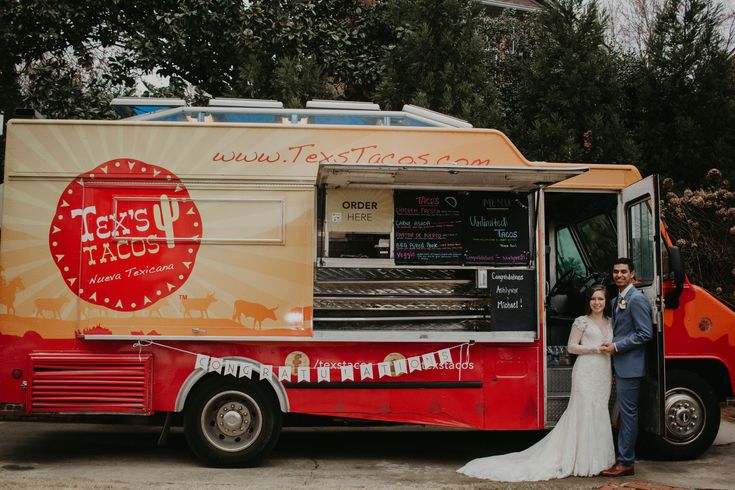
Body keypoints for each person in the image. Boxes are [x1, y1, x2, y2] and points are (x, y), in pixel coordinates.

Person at [457, 285, 615, 481]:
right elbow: (571, 347)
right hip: (586, 370)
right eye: (593, 299)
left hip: (603, 372)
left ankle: (598, 459)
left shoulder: (611, 322)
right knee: (584, 411)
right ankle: (581, 460)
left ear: (606, 301)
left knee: (599, 410)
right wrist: (596, 349)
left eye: (600, 299)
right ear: (588, 302)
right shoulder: (581, 322)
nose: (597, 303)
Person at [599, 258, 653, 477]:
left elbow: (645, 333)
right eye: (615, 271)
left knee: (628, 415)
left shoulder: (636, 299)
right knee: (622, 414)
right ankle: (621, 458)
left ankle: (626, 462)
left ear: (632, 274)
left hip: (630, 366)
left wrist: (617, 347)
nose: (619, 275)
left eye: (623, 272)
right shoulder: (615, 301)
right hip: (617, 364)